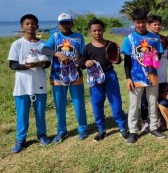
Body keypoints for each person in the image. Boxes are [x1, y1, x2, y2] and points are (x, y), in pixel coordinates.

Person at [77, 18, 128, 141]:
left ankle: (122, 128)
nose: (97, 33)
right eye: (94, 31)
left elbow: (117, 61)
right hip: (94, 78)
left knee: (116, 102)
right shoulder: (88, 48)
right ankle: (101, 130)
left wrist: (118, 56)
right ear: (90, 32)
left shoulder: (110, 44)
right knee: (97, 103)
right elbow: (81, 62)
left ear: (103, 30)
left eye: (100, 30)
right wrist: (86, 62)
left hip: (110, 76)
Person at [8, 14, 52, 153]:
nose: (30, 26)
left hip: (39, 83)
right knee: (22, 114)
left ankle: (42, 135)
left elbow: (48, 63)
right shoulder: (17, 44)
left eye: (33, 23)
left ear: (37, 26)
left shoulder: (43, 44)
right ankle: (21, 139)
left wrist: (43, 64)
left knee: (40, 112)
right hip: (22, 85)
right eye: (27, 23)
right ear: (22, 26)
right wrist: (27, 66)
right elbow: (13, 65)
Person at [41, 13, 88, 142]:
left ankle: (83, 130)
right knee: (60, 105)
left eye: (67, 22)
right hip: (58, 76)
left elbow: (83, 54)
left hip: (75, 75)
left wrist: (78, 62)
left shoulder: (78, 37)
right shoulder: (54, 36)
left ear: (72, 23)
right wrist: (57, 53)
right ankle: (62, 131)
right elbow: (44, 50)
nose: (65, 25)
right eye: (62, 23)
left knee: (79, 104)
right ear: (58, 25)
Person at [121, 8, 165, 144]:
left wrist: (153, 57)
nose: (140, 25)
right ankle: (133, 131)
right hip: (135, 77)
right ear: (134, 22)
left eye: (143, 22)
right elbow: (127, 61)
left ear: (146, 21)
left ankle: (153, 127)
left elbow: (160, 54)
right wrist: (128, 78)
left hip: (152, 75)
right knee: (134, 105)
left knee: (153, 102)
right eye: (137, 22)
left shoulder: (154, 37)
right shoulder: (128, 39)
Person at [140, 14, 168, 132]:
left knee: (158, 99)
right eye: (155, 24)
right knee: (145, 100)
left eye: (159, 24)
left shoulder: (164, 39)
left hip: (162, 75)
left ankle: (159, 120)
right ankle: (144, 121)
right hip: (148, 76)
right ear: (148, 25)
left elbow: (167, 55)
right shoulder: (144, 40)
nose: (157, 26)